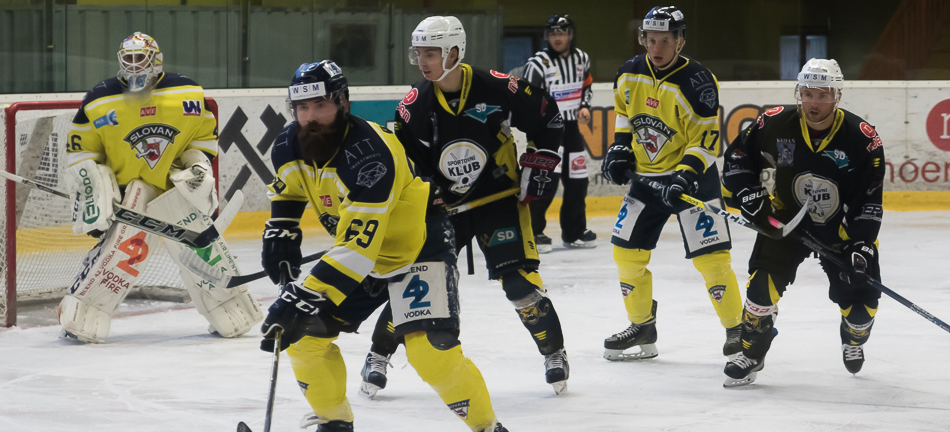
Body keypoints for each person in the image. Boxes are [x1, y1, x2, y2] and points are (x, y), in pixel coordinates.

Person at [259, 60, 507, 432]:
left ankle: (489, 428)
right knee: (304, 338)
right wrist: (282, 229)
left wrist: (302, 295)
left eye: (321, 106)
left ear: (343, 104)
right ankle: (334, 422)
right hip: (360, 255)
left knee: (430, 353)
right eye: (302, 107)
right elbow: (291, 191)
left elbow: (357, 250)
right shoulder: (287, 144)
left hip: (418, 245)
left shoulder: (369, 153)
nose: (310, 117)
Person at [360, 15, 571, 398]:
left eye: (431, 52)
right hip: (445, 212)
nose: (422, 61)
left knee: (520, 284)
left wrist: (540, 162)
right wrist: (424, 191)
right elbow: (406, 161)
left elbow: (549, 118)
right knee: (416, 284)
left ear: (455, 52)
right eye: (418, 53)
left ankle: (554, 352)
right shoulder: (414, 106)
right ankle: (378, 354)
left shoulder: (498, 86)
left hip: (498, 200)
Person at [59, 32, 262, 343]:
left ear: (156, 59)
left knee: (203, 255)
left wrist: (197, 166)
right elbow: (81, 150)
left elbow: (203, 137)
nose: (133, 65)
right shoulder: (100, 99)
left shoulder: (187, 92)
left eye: (140, 58)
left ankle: (231, 310)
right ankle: (83, 315)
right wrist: (95, 188)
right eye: (128, 58)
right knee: (117, 258)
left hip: (174, 190)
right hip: (129, 194)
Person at [720, 58, 886, 387]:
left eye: (822, 95)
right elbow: (739, 157)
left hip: (841, 232)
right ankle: (753, 353)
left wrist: (862, 244)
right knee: (758, 293)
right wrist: (749, 196)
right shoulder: (775, 123)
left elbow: (869, 198)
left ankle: (853, 337)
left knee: (860, 312)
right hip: (784, 222)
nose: (813, 103)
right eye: (807, 93)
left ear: (837, 95)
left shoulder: (861, 138)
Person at [600, 6, 743, 362]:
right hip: (646, 182)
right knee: (626, 254)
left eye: (665, 40)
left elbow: (707, 139)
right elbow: (623, 113)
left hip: (692, 181)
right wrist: (619, 147)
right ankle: (642, 325)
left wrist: (685, 176)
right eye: (651, 40)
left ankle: (738, 328)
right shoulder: (628, 72)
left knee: (712, 259)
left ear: (680, 40)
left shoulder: (698, 81)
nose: (657, 47)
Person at [522, 14, 597, 252]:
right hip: (547, 133)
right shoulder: (537, 64)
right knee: (545, 181)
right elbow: (527, 98)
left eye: (561, 32)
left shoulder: (582, 59)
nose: (557, 37)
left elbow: (586, 86)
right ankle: (534, 231)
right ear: (547, 36)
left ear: (570, 35)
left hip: (572, 130)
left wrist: (584, 105)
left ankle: (574, 231)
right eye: (553, 33)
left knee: (578, 181)